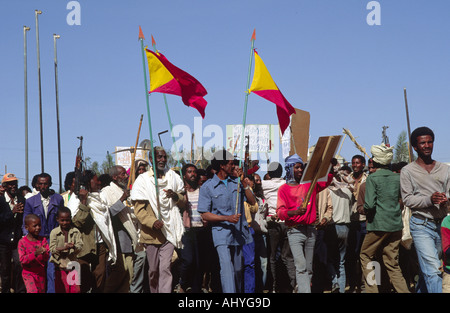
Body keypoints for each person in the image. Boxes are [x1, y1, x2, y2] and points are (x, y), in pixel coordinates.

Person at [197, 149, 256, 293]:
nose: (234, 166)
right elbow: (205, 214)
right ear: (222, 166)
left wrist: (243, 181)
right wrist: (226, 218)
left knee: (237, 269)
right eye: (231, 163)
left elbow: (252, 201)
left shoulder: (237, 183)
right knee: (226, 268)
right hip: (220, 233)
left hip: (238, 232)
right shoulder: (208, 187)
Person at [400, 127, 450, 293]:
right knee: (434, 271)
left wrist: (445, 200)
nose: (427, 145)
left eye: (430, 142)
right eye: (423, 143)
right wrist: (429, 200)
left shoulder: (444, 168)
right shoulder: (408, 171)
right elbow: (407, 199)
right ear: (415, 147)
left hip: (441, 225)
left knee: (426, 270)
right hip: (421, 225)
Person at [131, 146, 185, 293]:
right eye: (159, 157)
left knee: (165, 268)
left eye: (164, 157)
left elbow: (182, 200)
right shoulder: (143, 180)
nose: (162, 160)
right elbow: (139, 211)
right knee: (154, 270)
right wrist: (152, 222)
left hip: (170, 231)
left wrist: (175, 196)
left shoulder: (172, 177)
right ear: (151, 160)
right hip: (152, 235)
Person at [277, 154, 332, 293]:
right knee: (300, 266)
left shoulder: (310, 185)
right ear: (289, 168)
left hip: (311, 230)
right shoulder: (283, 189)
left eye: (301, 167)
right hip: (294, 232)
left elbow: (327, 181)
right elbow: (280, 212)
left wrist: (328, 165)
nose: (300, 170)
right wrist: (294, 212)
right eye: (297, 167)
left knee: (308, 267)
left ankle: (303, 289)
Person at [360, 144, 410, 293]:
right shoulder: (397, 177)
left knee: (365, 255)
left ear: (375, 161)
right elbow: (402, 200)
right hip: (395, 225)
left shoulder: (372, 178)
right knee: (392, 263)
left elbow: (369, 204)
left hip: (378, 225)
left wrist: (366, 211)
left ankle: (371, 290)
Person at [69, 170, 117, 293]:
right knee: (82, 279)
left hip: (100, 245)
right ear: (89, 182)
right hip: (83, 245)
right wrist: (84, 202)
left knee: (100, 277)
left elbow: (106, 221)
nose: (99, 182)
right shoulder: (76, 200)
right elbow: (78, 222)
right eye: (96, 180)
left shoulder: (101, 197)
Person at [23, 172, 64, 293]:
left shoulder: (58, 199)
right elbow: (25, 222)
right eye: (40, 184)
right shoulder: (30, 201)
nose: (43, 187)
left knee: (51, 269)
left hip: (53, 239)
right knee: (37, 269)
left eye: (45, 184)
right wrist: (28, 240)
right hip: (37, 239)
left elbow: (61, 219)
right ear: (36, 185)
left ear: (50, 184)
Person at [101, 165, 139, 293]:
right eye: (123, 174)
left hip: (130, 239)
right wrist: (122, 199)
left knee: (129, 275)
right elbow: (107, 214)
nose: (126, 176)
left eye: (125, 174)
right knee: (118, 275)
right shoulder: (107, 192)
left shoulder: (127, 190)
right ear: (115, 177)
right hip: (118, 240)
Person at [262, 161, 296, 293]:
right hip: (287, 221)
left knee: (272, 257)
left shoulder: (265, 185)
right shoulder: (287, 184)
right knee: (287, 256)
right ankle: (293, 285)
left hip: (273, 222)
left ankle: (274, 287)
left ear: (269, 174)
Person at [177, 163, 209, 293]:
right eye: (189, 172)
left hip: (201, 229)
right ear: (184, 175)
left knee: (199, 263)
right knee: (188, 260)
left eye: (194, 172)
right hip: (187, 230)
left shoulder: (202, 190)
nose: (193, 174)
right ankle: (183, 284)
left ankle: (196, 289)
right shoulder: (181, 193)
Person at [325, 165, 353, 293]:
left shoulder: (328, 191)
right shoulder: (348, 192)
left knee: (330, 258)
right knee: (341, 261)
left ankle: (335, 282)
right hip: (346, 228)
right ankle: (341, 289)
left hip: (333, 227)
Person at [346, 155, 369, 293]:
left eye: (358, 163)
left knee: (367, 254)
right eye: (353, 163)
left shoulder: (368, 179)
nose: (355, 165)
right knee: (351, 255)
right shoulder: (346, 179)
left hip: (365, 220)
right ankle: (353, 284)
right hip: (351, 221)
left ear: (363, 164)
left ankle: (369, 284)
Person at [0, 173, 26, 293]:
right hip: (3, 241)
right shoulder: (1, 200)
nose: (13, 186)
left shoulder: (21, 199)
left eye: (15, 183)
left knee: (19, 264)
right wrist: (12, 211)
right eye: (10, 184)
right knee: (5, 269)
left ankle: (19, 290)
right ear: (4, 186)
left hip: (16, 239)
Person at [49, 206, 83, 293]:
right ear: (57, 219)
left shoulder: (75, 231)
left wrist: (74, 247)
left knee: (75, 290)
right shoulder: (54, 232)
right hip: (60, 267)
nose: (65, 222)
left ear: (70, 219)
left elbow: (80, 246)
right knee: (62, 289)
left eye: (67, 220)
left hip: (73, 266)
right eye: (62, 220)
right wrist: (64, 247)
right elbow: (52, 249)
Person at [18, 214, 50, 293]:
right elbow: (23, 260)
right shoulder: (22, 242)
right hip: (29, 273)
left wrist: (44, 253)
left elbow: (46, 257)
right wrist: (35, 253)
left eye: (39, 225)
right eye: (35, 226)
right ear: (26, 227)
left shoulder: (43, 240)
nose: (38, 228)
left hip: (40, 273)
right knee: (33, 291)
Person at [251, 173, 269, 293]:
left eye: (259, 181)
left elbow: (265, 215)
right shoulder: (245, 198)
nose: (258, 183)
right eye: (255, 180)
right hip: (250, 234)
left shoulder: (262, 199)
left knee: (264, 264)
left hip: (262, 234)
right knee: (250, 264)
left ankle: (261, 289)